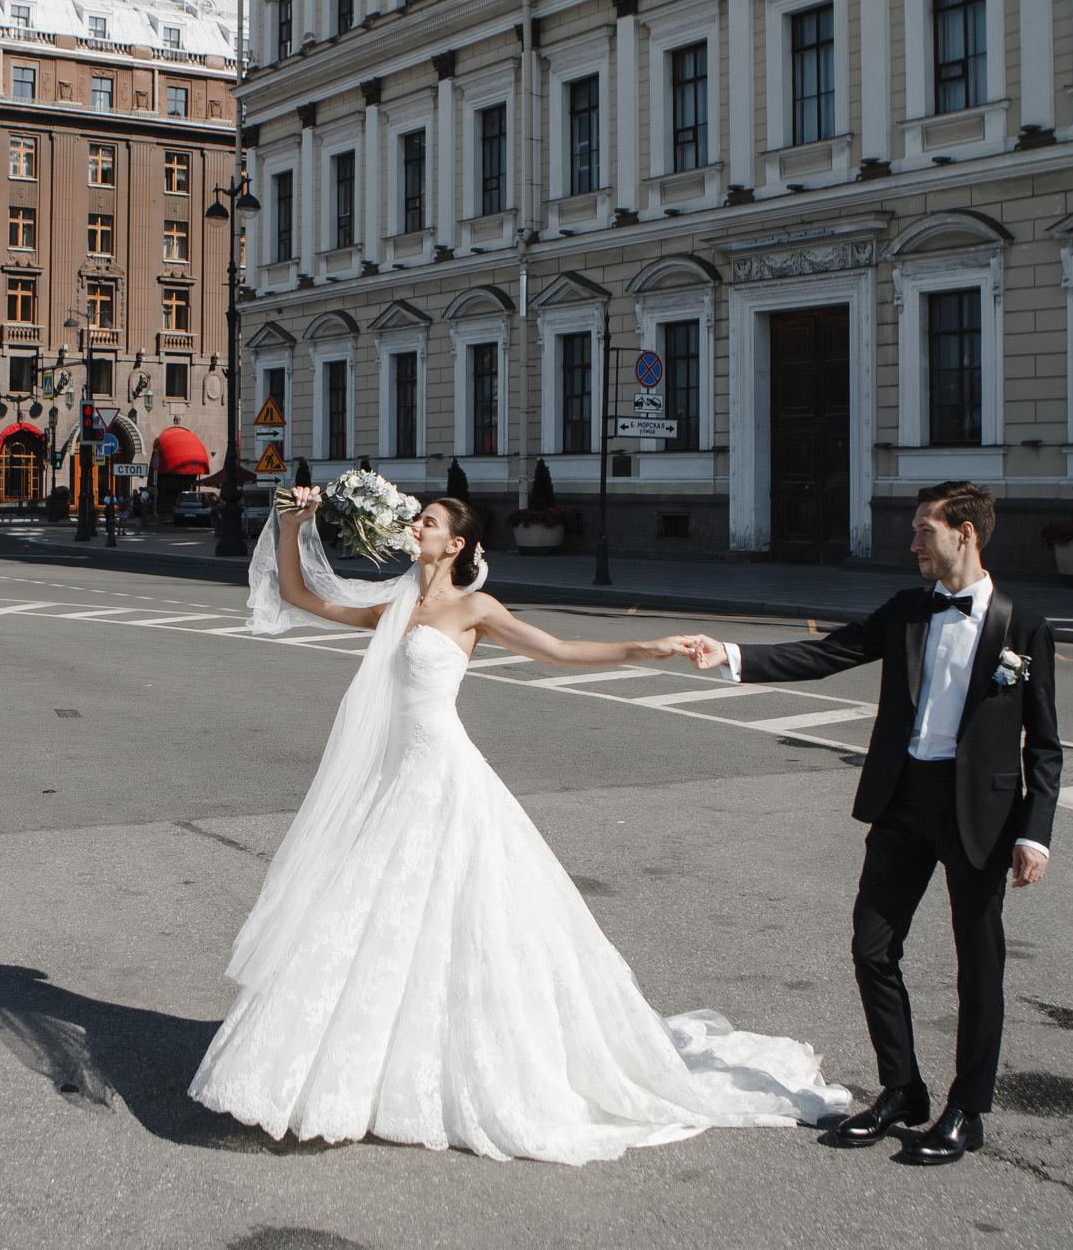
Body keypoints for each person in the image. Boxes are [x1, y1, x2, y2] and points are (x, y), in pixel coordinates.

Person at [188, 488, 849, 1163]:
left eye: (429, 522)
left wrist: (651, 647)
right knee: (378, 923)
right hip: (395, 780)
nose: (416, 525)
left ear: (455, 545)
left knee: (461, 923)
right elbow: (300, 594)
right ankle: (373, 1068)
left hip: (445, 774)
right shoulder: (395, 604)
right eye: (417, 517)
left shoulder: (475, 607)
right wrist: (295, 518)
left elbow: (559, 650)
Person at [691, 481, 1062, 1165]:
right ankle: (903, 1088)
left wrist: (1034, 831)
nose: (913, 542)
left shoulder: (1023, 625)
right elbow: (827, 653)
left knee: (978, 967)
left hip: (978, 814)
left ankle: (967, 1108)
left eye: (924, 530)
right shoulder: (907, 611)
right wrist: (733, 656)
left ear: (965, 535)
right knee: (871, 946)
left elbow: (1045, 744)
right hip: (902, 802)